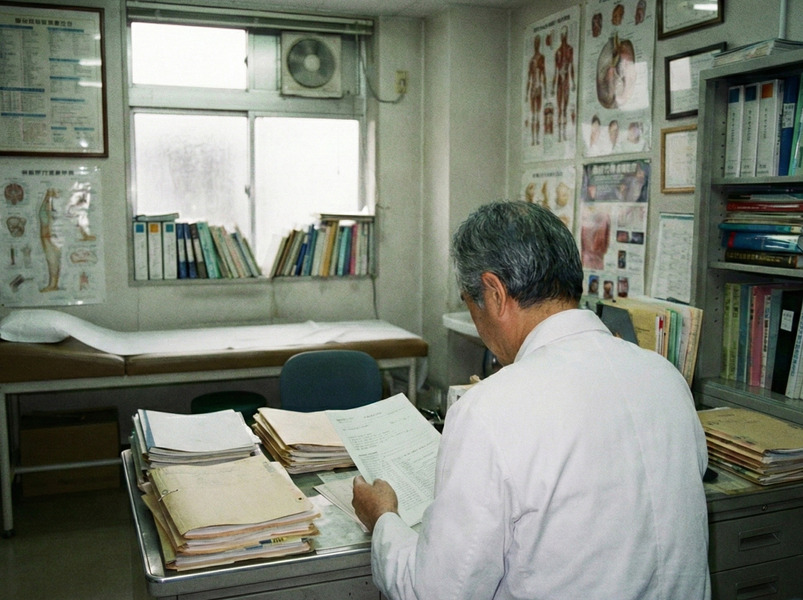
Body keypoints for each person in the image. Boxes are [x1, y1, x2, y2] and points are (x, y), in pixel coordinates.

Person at [352, 201, 711, 600]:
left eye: (470, 302)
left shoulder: (490, 410)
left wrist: (383, 519)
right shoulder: (665, 378)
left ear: (495, 293)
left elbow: (436, 593)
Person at [525, 34, 547, 146]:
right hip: (533, 89)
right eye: (535, 43)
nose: (536, 45)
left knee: (537, 115)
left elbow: (544, 75)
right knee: (533, 116)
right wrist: (526, 94)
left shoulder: (541, 58)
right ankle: (533, 139)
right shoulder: (531, 61)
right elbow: (529, 78)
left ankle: (537, 139)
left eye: (538, 42)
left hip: (538, 89)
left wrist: (546, 90)